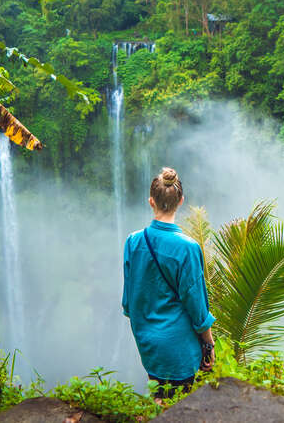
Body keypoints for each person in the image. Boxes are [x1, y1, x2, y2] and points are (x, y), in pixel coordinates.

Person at [122, 167, 215, 402]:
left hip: (148, 343)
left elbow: (128, 303)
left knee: (158, 398)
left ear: (151, 201)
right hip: (179, 346)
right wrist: (208, 344)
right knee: (179, 406)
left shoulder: (133, 242)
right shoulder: (188, 248)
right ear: (181, 201)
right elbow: (197, 306)